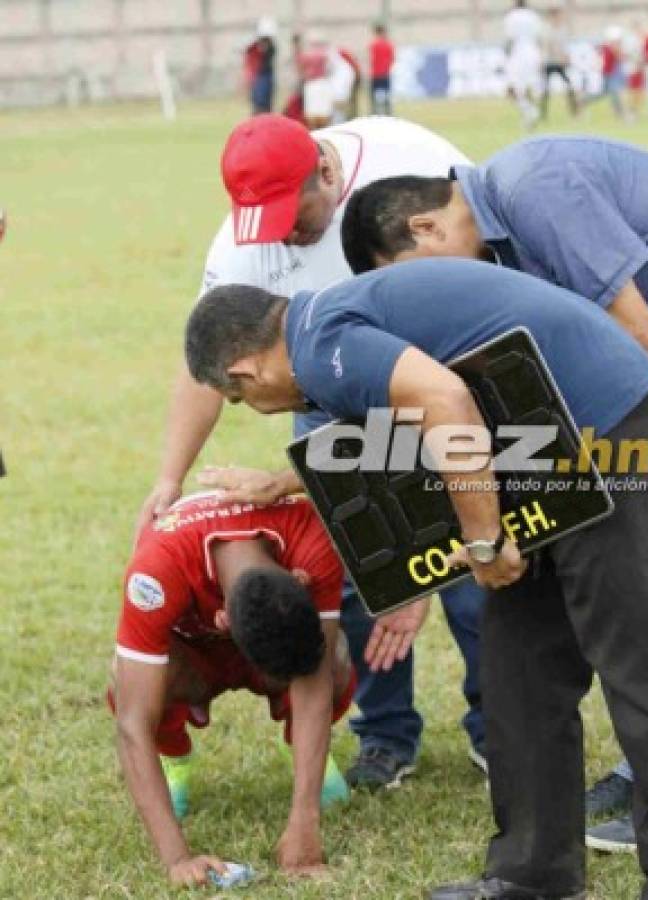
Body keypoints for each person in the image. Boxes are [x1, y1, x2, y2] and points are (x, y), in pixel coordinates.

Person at [185, 256, 648, 900]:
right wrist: (282, 483)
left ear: (245, 372)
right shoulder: (320, 328)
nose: (258, 408)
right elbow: (401, 431)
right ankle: (532, 875)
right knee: (519, 668)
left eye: (243, 399)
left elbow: (443, 401)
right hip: (536, 438)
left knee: (636, 662)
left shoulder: (325, 341)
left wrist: (484, 540)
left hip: (602, 422)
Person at [135, 111, 487, 791]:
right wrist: (169, 476)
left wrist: (422, 560)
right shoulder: (244, 242)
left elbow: (480, 265)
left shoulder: (408, 157)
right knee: (356, 565)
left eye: (294, 216)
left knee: (476, 564)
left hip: (444, 376)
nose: (284, 238)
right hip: (328, 389)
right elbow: (208, 362)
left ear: (327, 173)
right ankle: (386, 734)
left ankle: (496, 730)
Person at [111, 491, 358, 886]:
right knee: (127, 682)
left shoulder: (314, 538)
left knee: (336, 657)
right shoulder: (156, 568)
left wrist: (304, 819)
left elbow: (315, 680)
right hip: (192, 654)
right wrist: (178, 859)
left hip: (258, 639)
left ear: (300, 579)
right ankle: (175, 756)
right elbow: (132, 723)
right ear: (221, 620)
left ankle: (302, 747)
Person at [340, 136, 648, 367]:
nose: (430, 292)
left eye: (415, 278)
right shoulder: (501, 238)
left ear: (426, 227)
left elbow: (642, 337)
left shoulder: (531, 189)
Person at [503, 0, 544, 129]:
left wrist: (506, 56)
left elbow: (509, 39)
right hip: (533, 53)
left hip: (518, 54)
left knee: (512, 89)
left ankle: (530, 111)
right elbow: (539, 38)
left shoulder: (511, 17)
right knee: (528, 88)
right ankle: (530, 113)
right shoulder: (533, 16)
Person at [540, 6, 578, 119]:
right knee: (546, 89)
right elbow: (549, 46)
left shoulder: (563, 29)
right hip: (550, 63)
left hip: (560, 63)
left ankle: (574, 112)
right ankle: (543, 114)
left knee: (569, 86)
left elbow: (564, 45)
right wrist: (560, 55)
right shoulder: (547, 29)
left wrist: (566, 57)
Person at [244, 18, 277, 116]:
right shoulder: (255, 47)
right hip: (259, 77)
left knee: (266, 105)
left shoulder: (271, 48)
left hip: (266, 77)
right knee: (258, 104)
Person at [369, 23, 395, 115]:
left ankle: (375, 114)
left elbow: (372, 59)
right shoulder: (388, 44)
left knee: (374, 97)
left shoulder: (374, 45)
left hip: (375, 74)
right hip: (385, 73)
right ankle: (388, 114)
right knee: (387, 96)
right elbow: (392, 59)